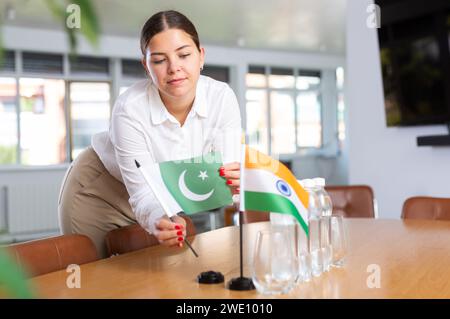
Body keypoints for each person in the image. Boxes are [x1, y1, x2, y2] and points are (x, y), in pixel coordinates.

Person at [58, 10, 242, 258]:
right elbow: (144, 194)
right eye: (159, 60)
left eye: (184, 55)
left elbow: (226, 176)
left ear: (201, 56)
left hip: (163, 194)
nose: (174, 68)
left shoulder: (222, 98)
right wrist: (159, 217)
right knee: (101, 280)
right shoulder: (129, 109)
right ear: (146, 66)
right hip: (100, 191)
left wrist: (238, 182)